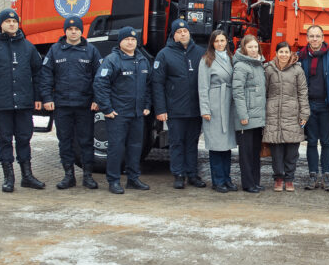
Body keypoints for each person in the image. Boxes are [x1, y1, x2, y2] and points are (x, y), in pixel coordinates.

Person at [0, 8, 44, 192]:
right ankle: (8, 177)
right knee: (5, 139)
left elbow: (38, 73)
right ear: (1, 24)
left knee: (24, 138)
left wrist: (38, 97)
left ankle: (27, 176)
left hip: (24, 102)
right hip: (1, 102)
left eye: (14, 21)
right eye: (8, 21)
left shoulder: (28, 47)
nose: (12, 24)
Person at [38, 16, 103, 190]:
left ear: (81, 31)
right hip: (62, 105)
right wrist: (47, 98)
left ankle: (87, 176)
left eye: (76, 29)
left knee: (86, 142)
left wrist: (97, 99)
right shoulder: (55, 50)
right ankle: (69, 176)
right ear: (65, 31)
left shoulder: (91, 51)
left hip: (85, 105)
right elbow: (46, 76)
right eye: (70, 29)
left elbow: (99, 78)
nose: (73, 32)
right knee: (65, 141)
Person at [92, 26, 151, 194]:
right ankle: (113, 180)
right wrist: (107, 108)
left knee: (135, 148)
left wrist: (146, 106)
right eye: (127, 39)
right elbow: (100, 84)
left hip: (137, 114)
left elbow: (148, 85)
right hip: (118, 114)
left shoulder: (142, 60)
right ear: (120, 42)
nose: (130, 42)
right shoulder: (112, 60)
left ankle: (133, 179)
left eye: (133, 39)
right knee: (116, 148)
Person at [153, 18, 206, 190]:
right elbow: (157, 84)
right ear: (173, 35)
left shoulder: (200, 53)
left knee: (192, 143)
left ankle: (192, 174)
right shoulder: (164, 55)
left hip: (195, 109)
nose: (183, 34)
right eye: (179, 32)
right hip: (175, 109)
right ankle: (178, 174)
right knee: (176, 142)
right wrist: (161, 109)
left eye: (185, 31)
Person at [297, 25, 329, 191]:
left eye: (317, 36)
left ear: (323, 38)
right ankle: (313, 176)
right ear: (307, 38)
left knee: (326, 142)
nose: (314, 39)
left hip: (326, 105)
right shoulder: (301, 56)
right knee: (311, 142)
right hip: (309, 105)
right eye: (311, 36)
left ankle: (327, 177)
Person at [264, 42, 310, 192]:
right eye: (281, 52)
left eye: (286, 52)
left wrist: (304, 113)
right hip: (274, 115)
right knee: (276, 151)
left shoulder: (298, 70)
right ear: (276, 53)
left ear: (291, 54)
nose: (284, 55)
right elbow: (264, 92)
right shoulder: (269, 69)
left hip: (293, 115)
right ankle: (278, 178)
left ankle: (289, 179)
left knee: (292, 151)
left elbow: (303, 93)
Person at [198, 29, 238, 193]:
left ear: (227, 41)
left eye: (222, 40)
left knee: (226, 145)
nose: (220, 44)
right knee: (216, 145)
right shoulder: (206, 60)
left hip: (228, 104)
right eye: (216, 41)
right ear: (212, 43)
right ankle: (218, 180)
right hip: (214, 104)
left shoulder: (231, 58)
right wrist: (205, 109)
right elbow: (203, 86)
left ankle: (227, 178)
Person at [232, 34, 267, 193]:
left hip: (257, 116)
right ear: (244, 48)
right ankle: (248, 184)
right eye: (250, 47)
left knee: (255, 152)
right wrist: (243, 115)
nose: (253, 50)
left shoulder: (258, 64)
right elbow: (237, 92)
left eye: (255, 47)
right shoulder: (241, 66)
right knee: (246, 153)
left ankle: (255, 181)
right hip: (246, 117)